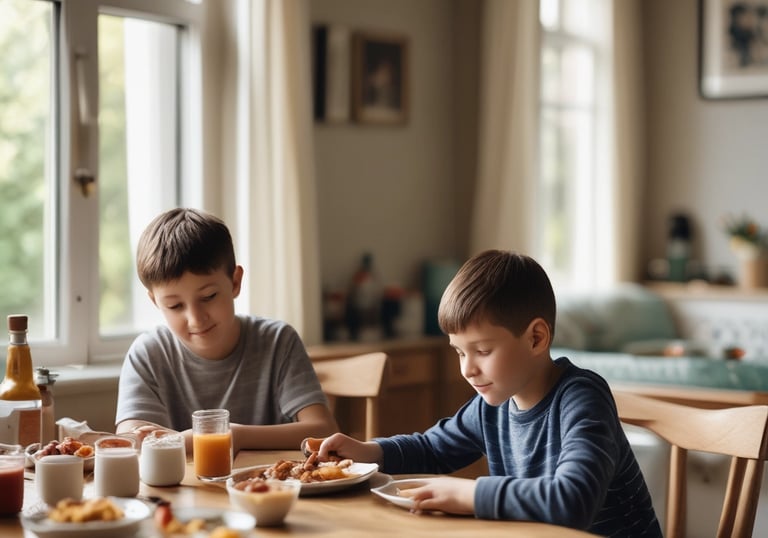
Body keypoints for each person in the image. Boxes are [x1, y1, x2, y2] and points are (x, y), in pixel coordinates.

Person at [315, 250, 662, 537]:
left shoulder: (581, 399)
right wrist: (368, 451)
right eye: (460, 352)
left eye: (482, 350)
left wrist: (471, 493)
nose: (467, 369)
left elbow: (573, 502)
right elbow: (432, 448)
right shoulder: (491, 407)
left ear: (536, 338)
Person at [115, 208, 338, 452]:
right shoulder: (147, 353)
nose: (196, 319)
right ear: (155, 302)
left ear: (235, 282)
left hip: (268, 487)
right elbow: (134, 443)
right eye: (175, 305)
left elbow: (323, 430)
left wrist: (234, 434)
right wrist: (211, 436)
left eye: (209, 296)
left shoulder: (277, 341)